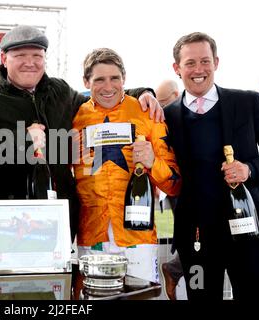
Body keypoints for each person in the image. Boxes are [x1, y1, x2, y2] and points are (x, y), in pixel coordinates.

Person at [0, 25, 164, 242]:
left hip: (60, 224)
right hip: (8, 225)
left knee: (62, 277)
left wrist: (141, 93)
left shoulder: (60, 91)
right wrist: (22, 143)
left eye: (37, 55)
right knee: (10, 278)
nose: (30, 62)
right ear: (4, 58)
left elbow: (98, 100)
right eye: (20, 55)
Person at [164, 32, 259, 300]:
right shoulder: (167, 117)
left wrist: (250, 170)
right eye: (190, 63)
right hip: (197, 240)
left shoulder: (247, 102)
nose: (198, 69)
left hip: (248, 232)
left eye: (205, 61)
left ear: (216, 62)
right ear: (177, 68)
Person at [72, 48, 181, 283]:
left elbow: (174, 184)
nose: (108, 86)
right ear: (86, 82)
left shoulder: (147, 113)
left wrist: (153, 163)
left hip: (137, 238)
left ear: (124, 79)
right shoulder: (75, 118)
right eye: (99, 79)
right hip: (92, 238)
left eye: (115, 78)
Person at [155, 79, 183, 300]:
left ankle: (174, 268)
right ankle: (174, 268)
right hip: (174, 185)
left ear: (176, 94)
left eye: (163, 101)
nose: (160, 107)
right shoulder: (164, 119)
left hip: (184, 184)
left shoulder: (184, 115)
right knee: (191, 233)